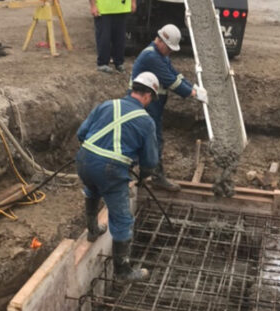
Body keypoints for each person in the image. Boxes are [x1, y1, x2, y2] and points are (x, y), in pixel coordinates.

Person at [76, 72, 160, 282]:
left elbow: (81, 133)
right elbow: (150, 160)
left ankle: (93, 229)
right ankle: (122, 271)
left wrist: (95, 153)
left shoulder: (107, 104)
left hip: (84, 160)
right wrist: (144, 176)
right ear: (148, 95)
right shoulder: (146, 121)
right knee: (122, 219)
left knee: (92, 189)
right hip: (110, 170)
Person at [130, 24, 208, 191]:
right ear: (162, 42)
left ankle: (143, 175)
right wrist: (193, 94)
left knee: (148, 139)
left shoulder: (160, 55)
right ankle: (153, 176)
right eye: (170, 48)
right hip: (144, 103)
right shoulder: (151, 57)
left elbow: (175, 74)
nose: (171, 52)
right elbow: (171, 81)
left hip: (152, 104)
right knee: (153, 139)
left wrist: (194, 88)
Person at [89, 0, 137, 73]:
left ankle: (119, 63)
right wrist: (93, 6)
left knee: (120, 38)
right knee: (104, 38)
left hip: (122, 8)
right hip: (104, 9)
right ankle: (102, 63)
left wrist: (133, 2)